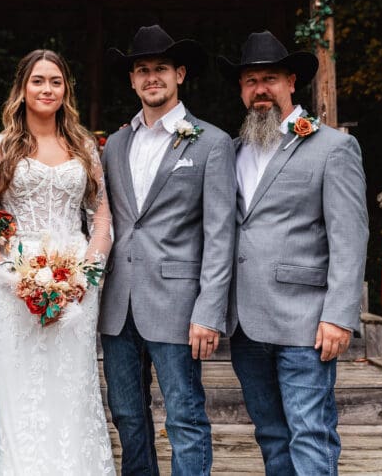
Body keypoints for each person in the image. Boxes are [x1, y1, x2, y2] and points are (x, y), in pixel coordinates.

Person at [218, 30, 368, 475]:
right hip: (246, 322)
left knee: (310, 431)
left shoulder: (333, 147)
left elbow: (350, 236)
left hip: (306, 321)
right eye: (250, 81)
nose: (259, 89)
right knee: (270, 433)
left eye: (269, 79)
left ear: (291, 83)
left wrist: (340, 314)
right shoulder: (232, 149)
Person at [0, 49, 114, 475]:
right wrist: (11, 277)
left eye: (56, 81)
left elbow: (100, 216)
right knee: (21, 389)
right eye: (38, 80)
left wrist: (89, 274)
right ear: (22, 89)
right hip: (15, 282)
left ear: (66, 91)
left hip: (76, 276)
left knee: (72, 386)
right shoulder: (2, 146)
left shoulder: (83, 144)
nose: (47, 89)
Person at [99, 24, 237, 476]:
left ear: (180, 74)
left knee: (185, 415)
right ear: (132, 80)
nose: (151, 77)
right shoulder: (115, 144)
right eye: (142, 70)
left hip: (179, 305)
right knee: (126, 414)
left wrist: (209, 310)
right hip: (118, 304)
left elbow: (220, 234)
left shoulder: (211, 142)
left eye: (160, 68)